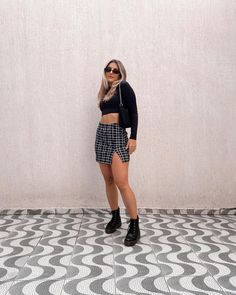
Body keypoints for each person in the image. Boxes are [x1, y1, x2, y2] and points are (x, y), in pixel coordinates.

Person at [95, 59, 140, 246]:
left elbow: (134, 112)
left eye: (115, 70)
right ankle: (115, 216)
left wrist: (133, 137)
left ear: (121, 73)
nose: (111, 72)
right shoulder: (105, 92)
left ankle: (135, 224)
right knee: (109, 179)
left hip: (117, 135)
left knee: (122, 182)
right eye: (108, 69)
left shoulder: (124, 87)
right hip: (101, 134)